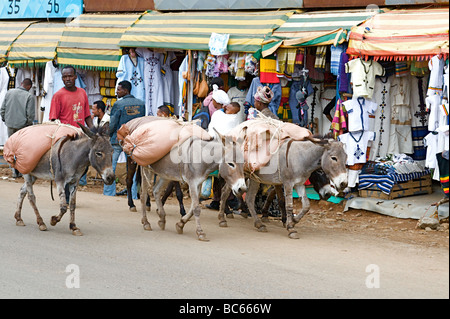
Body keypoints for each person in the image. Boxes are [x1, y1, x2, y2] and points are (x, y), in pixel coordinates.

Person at [105, 80, 145, 197]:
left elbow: (113, 123)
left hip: (118, 139)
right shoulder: (141, 104)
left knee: (111, 166)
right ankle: (133, 195)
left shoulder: (118, 104)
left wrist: (109, 135)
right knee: (132, 168)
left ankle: (109, 192)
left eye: (119, 89)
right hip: (133, 140)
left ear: (126, 90)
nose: (116, 92)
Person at [206, 102, 242, 212]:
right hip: (217, 147)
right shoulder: (219, 114)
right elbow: (213, 126)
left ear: (234, 111)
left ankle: (229, 200)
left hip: (227, 149)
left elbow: (231, 131)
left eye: (229, 108)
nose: (226, 107)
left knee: (226, 176)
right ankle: (217, 201)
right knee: (217, 177)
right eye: (227, 106)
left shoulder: (235, 119)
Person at [1, 78, 35, 178]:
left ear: (21, 84)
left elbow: (2, 109)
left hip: (10, 124)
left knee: (11, 148)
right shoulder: (29, 96)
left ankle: (13, 170)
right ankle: (20, 170)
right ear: (29, 87)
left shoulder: (9, 92)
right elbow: (30, 115)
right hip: (22, 126)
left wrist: (5, 120)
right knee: (21, 148)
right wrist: (28, 125)